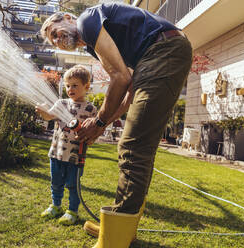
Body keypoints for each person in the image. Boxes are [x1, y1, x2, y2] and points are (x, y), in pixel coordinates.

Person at [41, 3, 192, 247]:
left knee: (133, 147)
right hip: (159, 55)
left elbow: (121, 78)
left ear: (68, 17)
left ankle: (115, 238)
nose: (57, 40)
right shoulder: (94, 43)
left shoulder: (87, 20)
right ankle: (119, 229)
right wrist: (102, 123)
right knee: (136, 145)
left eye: (55, 32)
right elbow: (130, 86)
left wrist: (99, 121)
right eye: (53, 41)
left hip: (162, 51)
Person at [36, 65, 97, 226]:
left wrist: (90, 139)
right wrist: (43, 112)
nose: (70, 89)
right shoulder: (61, 103)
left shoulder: (91, 109)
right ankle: (55, 206)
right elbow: (49, 116)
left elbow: (95, 132)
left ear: (86, 86)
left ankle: (72, 211)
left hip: (76, 156)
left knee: (72, 184)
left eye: (75, 85)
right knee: (56, 182)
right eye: (68, 85)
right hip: (56, 152)